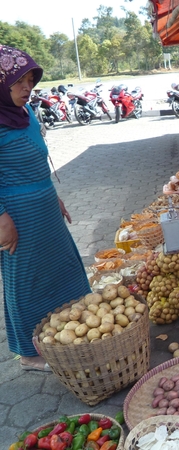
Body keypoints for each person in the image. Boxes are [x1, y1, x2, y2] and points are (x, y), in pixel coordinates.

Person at [0, 45, 91, 371]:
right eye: (19, 81)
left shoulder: (26, 114)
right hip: (17, 214)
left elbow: (37, 161)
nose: (28, 88)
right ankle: (29, 352)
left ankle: (73, 331)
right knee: (25, 278)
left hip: (44, 206)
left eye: (30, 80)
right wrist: (2, 218)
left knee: (63, 266)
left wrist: (54, 195)